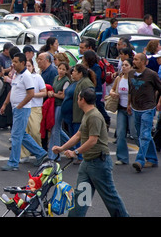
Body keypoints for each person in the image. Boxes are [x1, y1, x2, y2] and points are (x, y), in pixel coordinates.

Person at [52, 88, 129, 217]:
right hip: (88, 163)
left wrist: (75, 152)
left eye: (78, 98)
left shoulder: (94, 116)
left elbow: (93, 140)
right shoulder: (87, 114)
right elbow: (78, 135)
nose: (77, 100)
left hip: (99, 163)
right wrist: (62, 148)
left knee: (110, 196)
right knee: (81, 196)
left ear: (82, 100)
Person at [0, 53, 47, 171]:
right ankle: (41, 153)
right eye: (13, 61)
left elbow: (31, 93)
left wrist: (20, 106)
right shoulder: (16, 74)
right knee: (22, 135)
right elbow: (13, 90)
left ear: (22, 63)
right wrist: (5, 104)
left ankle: (13, 163)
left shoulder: (27, 76)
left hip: (22, 109)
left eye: (15, 62)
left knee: (16, 136)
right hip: (17, 108)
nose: (13, 64)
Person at [128, 53, 161, 172]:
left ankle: (140, 160)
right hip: (135, 108)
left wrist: (158, 102)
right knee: (142, 135)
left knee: (145, 135)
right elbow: (130, 90)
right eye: (134, 59)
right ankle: (152, 159)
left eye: (136, 59)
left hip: (148, 108)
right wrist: (128, 104)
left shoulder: (151, 74)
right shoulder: (131, 74)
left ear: (143, 62)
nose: (134, 61)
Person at [109, 58, 137, 165]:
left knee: (135, 133)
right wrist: (112, 93)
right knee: (120, 133)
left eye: (126, 65)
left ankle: (147, 154)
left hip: (132, 110)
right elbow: (112, 89)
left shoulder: (134, 79)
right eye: (123, 65)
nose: (124, 67)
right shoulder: (119, 79)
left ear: (131, 67)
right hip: (121, 109)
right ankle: (122, 158)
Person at [20, 59, 47, 163]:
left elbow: (44, 92)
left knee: (35, 132)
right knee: (24, 131)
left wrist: (32, 95)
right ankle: (24, 154)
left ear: (33, 67)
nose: (27, 68)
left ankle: (39, 154)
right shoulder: (20, 77)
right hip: (24, 107)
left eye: (29, 66)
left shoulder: (37, 77)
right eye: (25, 66)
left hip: (35, 107)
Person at [47, 62, 71, 160]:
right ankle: (71, 145)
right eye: (59, 68)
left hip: (60, 106)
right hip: (54, 104)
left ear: (66, 71)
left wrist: (54, 94)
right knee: (58, 129)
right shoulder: (56, 78)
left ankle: (56, 154)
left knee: (55, 130)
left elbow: (63, 96)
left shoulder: (66, 81)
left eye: (63, 69)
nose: (61, 71)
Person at [82, 50, 111, 128]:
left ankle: (106, 119)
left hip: (96, 91)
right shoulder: (87, 66)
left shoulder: (96, 67)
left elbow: (95, 78)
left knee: (98, 106)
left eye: (84, 57)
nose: (83, 59)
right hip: (90, 90)